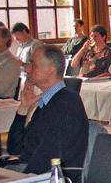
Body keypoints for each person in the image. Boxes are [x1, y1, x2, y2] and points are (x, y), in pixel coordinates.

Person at [7, 45, 89, 174]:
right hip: (31, 170)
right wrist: (23, 108)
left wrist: (19, 179)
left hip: (50, 178)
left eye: (33, 65)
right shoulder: (48, 101)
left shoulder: (66, 104)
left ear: (51, 69)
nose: (27, 69)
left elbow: (47, 158)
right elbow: (14, 148)